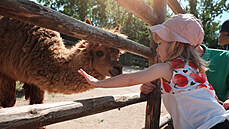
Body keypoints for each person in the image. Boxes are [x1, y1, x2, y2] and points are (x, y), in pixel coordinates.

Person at [78, 14, 229, 129]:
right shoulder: (196, 67)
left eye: (160, 43)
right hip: (220, 120)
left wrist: (98, 83)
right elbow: (210, 95)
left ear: (175, 44)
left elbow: (130, 79)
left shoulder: (166, 68)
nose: (156, 49)